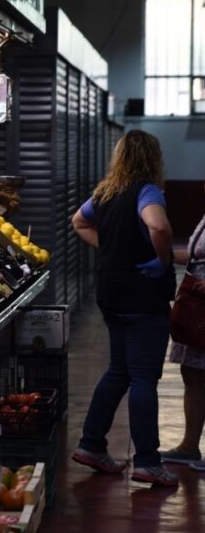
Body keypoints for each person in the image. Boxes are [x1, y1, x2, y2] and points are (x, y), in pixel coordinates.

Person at [70, 130, 178, 487]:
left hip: (111, 294)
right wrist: (162, 260)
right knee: (144, 378)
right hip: (142, 297)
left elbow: (78, 221)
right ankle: (147, 461)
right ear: (153, 158)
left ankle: (91, 444)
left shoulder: (105, 192)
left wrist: (111, 248)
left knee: (119, 371)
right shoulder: (148, 191)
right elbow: (158, 226)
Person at [161, 203, 205, 470]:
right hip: (197, 307)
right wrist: (160, 253)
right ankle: (189, 446)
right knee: (193, 375)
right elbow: (194, 256)